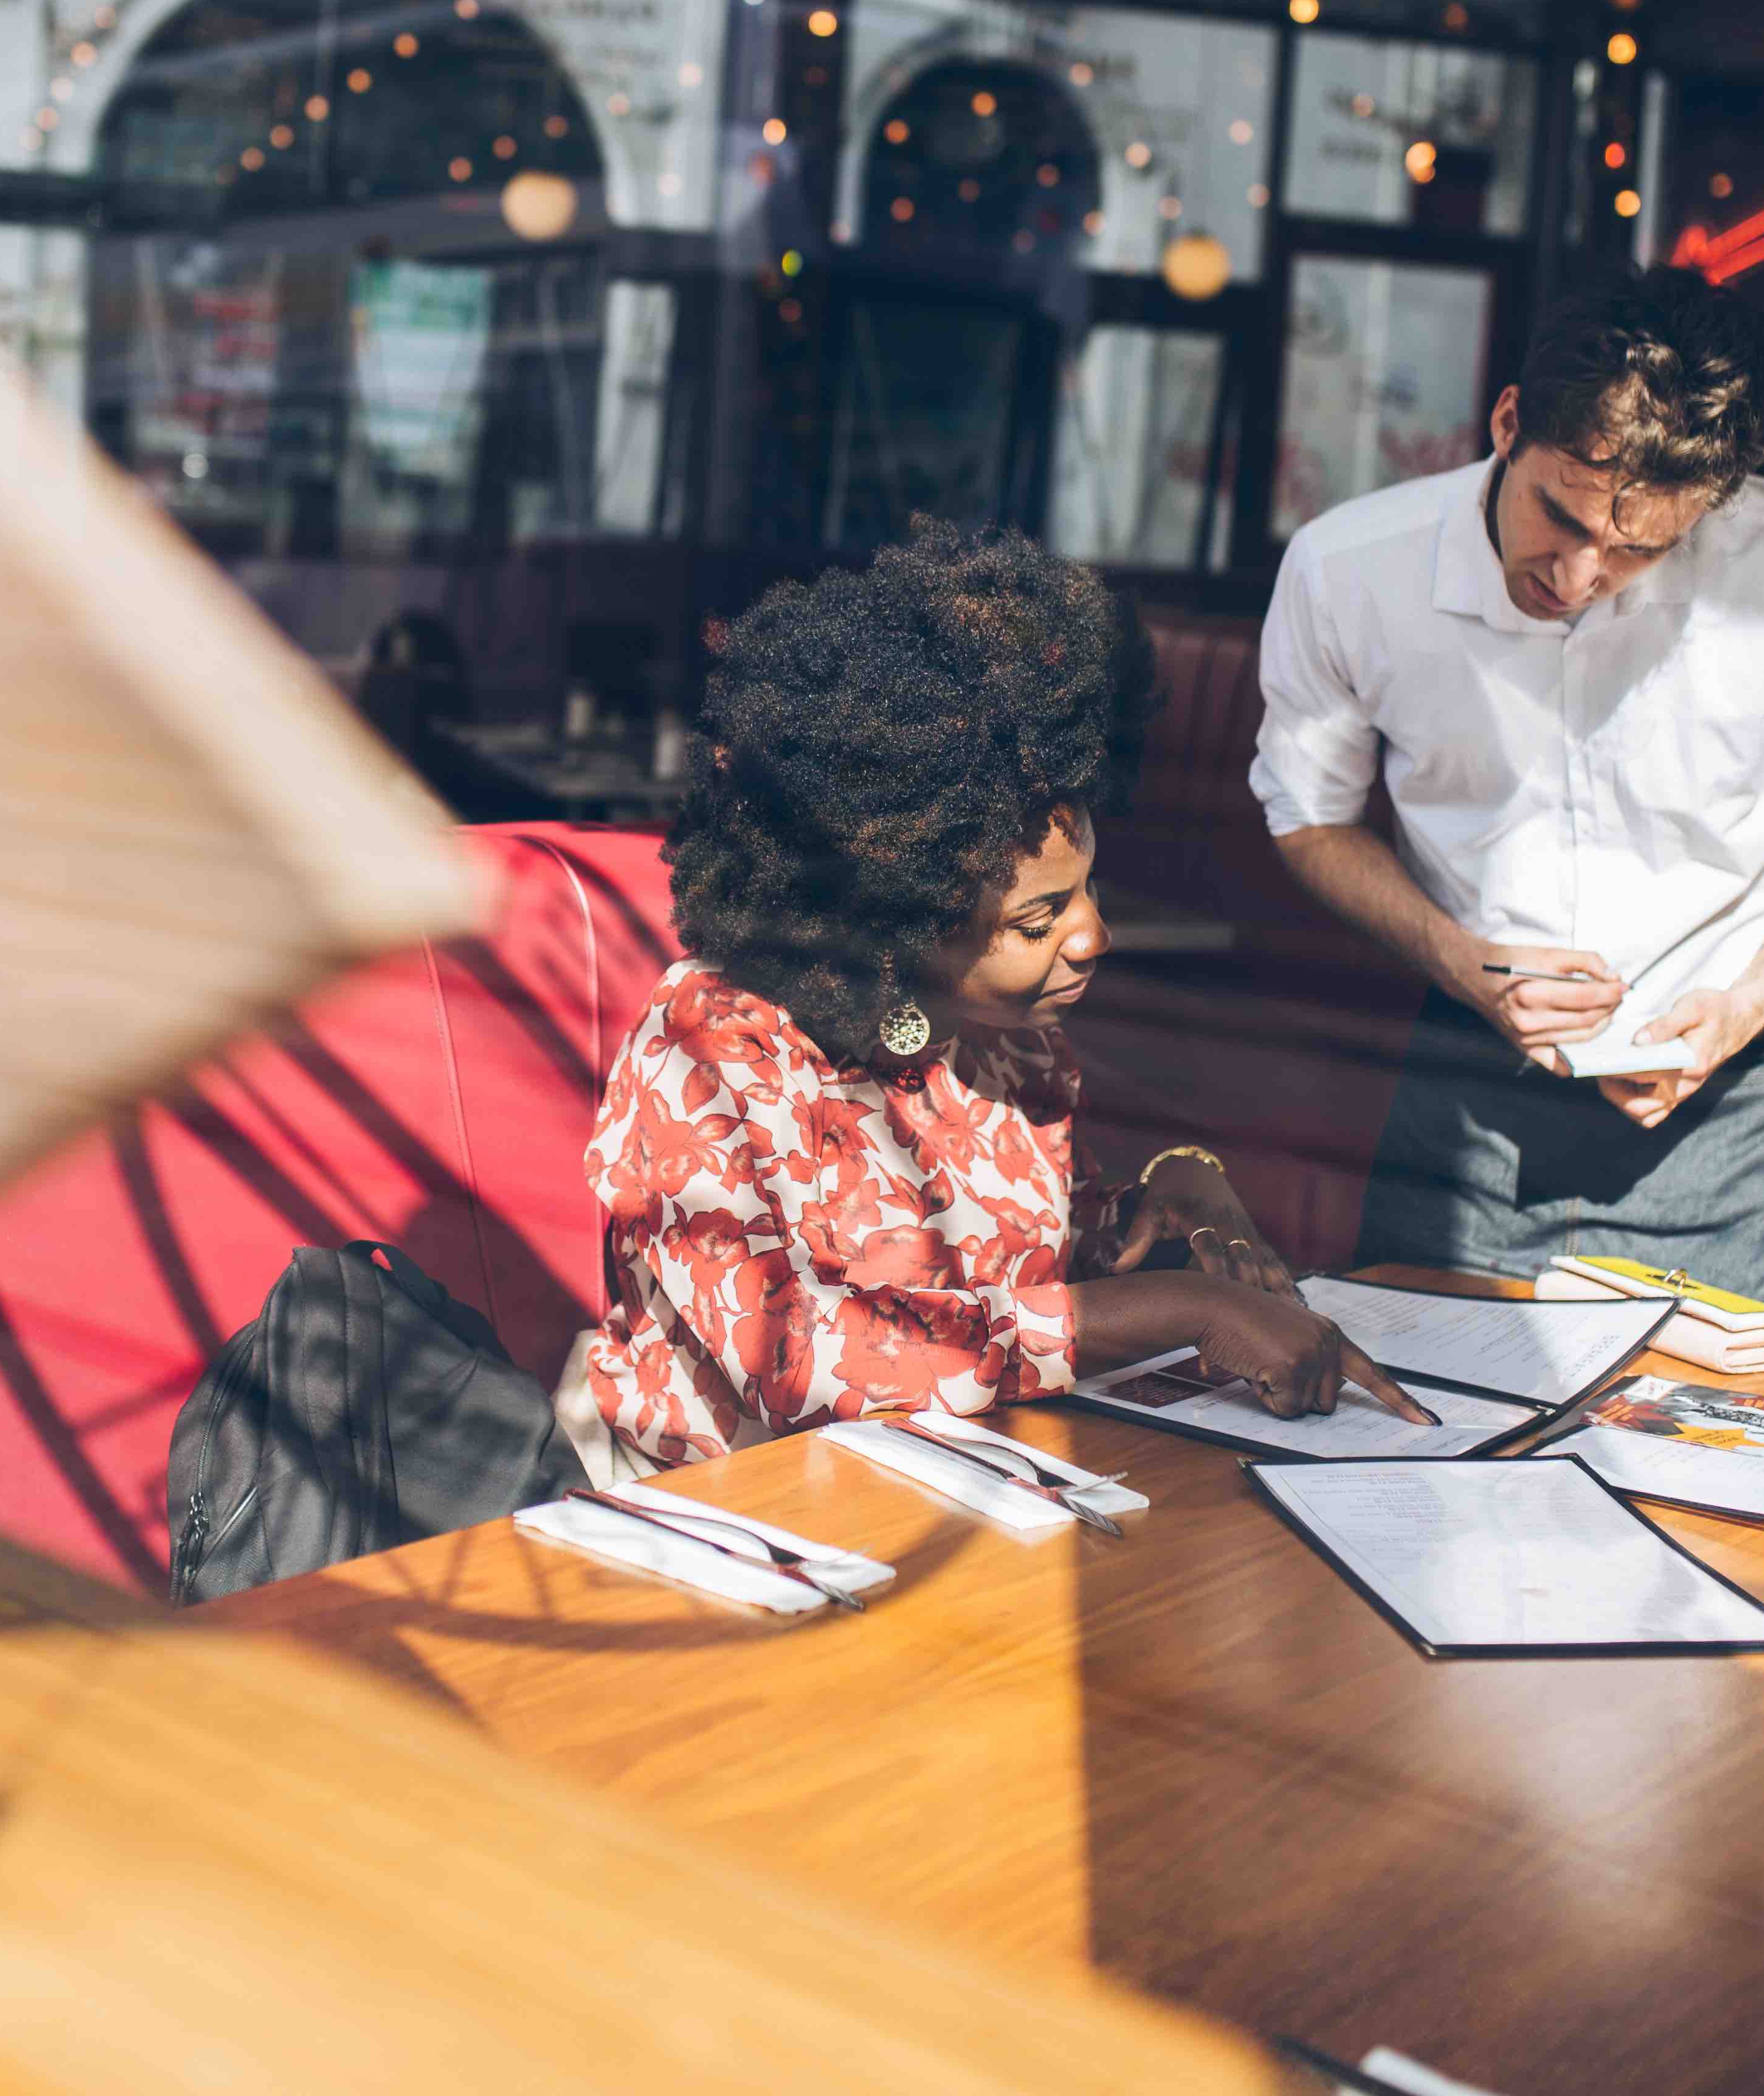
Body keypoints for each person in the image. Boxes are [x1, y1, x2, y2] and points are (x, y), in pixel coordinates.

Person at [554, 523, 1428, 1478]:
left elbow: (1023, 1273)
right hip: (721, 1517)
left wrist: (1163, 1197)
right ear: (904, 912)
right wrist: (1184, 1311)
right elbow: (796, 1362)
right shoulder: (709, 1050)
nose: (1092, 935)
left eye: (1090, 890)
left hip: (948, 1491)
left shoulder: (1010, 1043)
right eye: (1040, 917)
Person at [1252, 264, 1764, 1301]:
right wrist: (1463, 964)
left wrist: (1742, 1007)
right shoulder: (1346, 569)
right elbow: (1309, 819)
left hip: (1738, 1107)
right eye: (1562, 516)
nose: (1579, 574)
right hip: (1467, 1091)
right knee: (1416, 1429)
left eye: (1641, 550)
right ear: (1508, 422)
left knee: (1723, 1448)